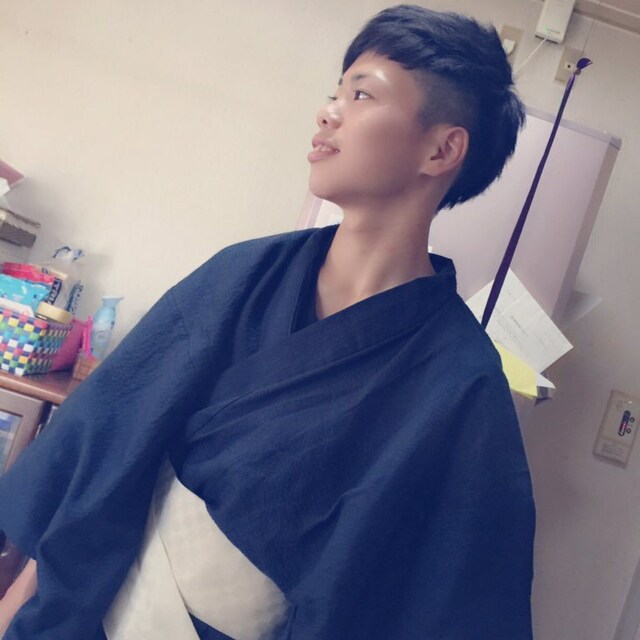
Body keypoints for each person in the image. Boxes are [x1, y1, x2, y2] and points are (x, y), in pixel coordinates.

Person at [0, 4, 535, 639]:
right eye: (336, 91)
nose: (328, 111)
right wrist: (15, 607)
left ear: (442, 149)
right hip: (84, 614)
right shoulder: (242, 275)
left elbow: (454, 599)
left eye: (362, 94)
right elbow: (103, 447)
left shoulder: (462, 385)